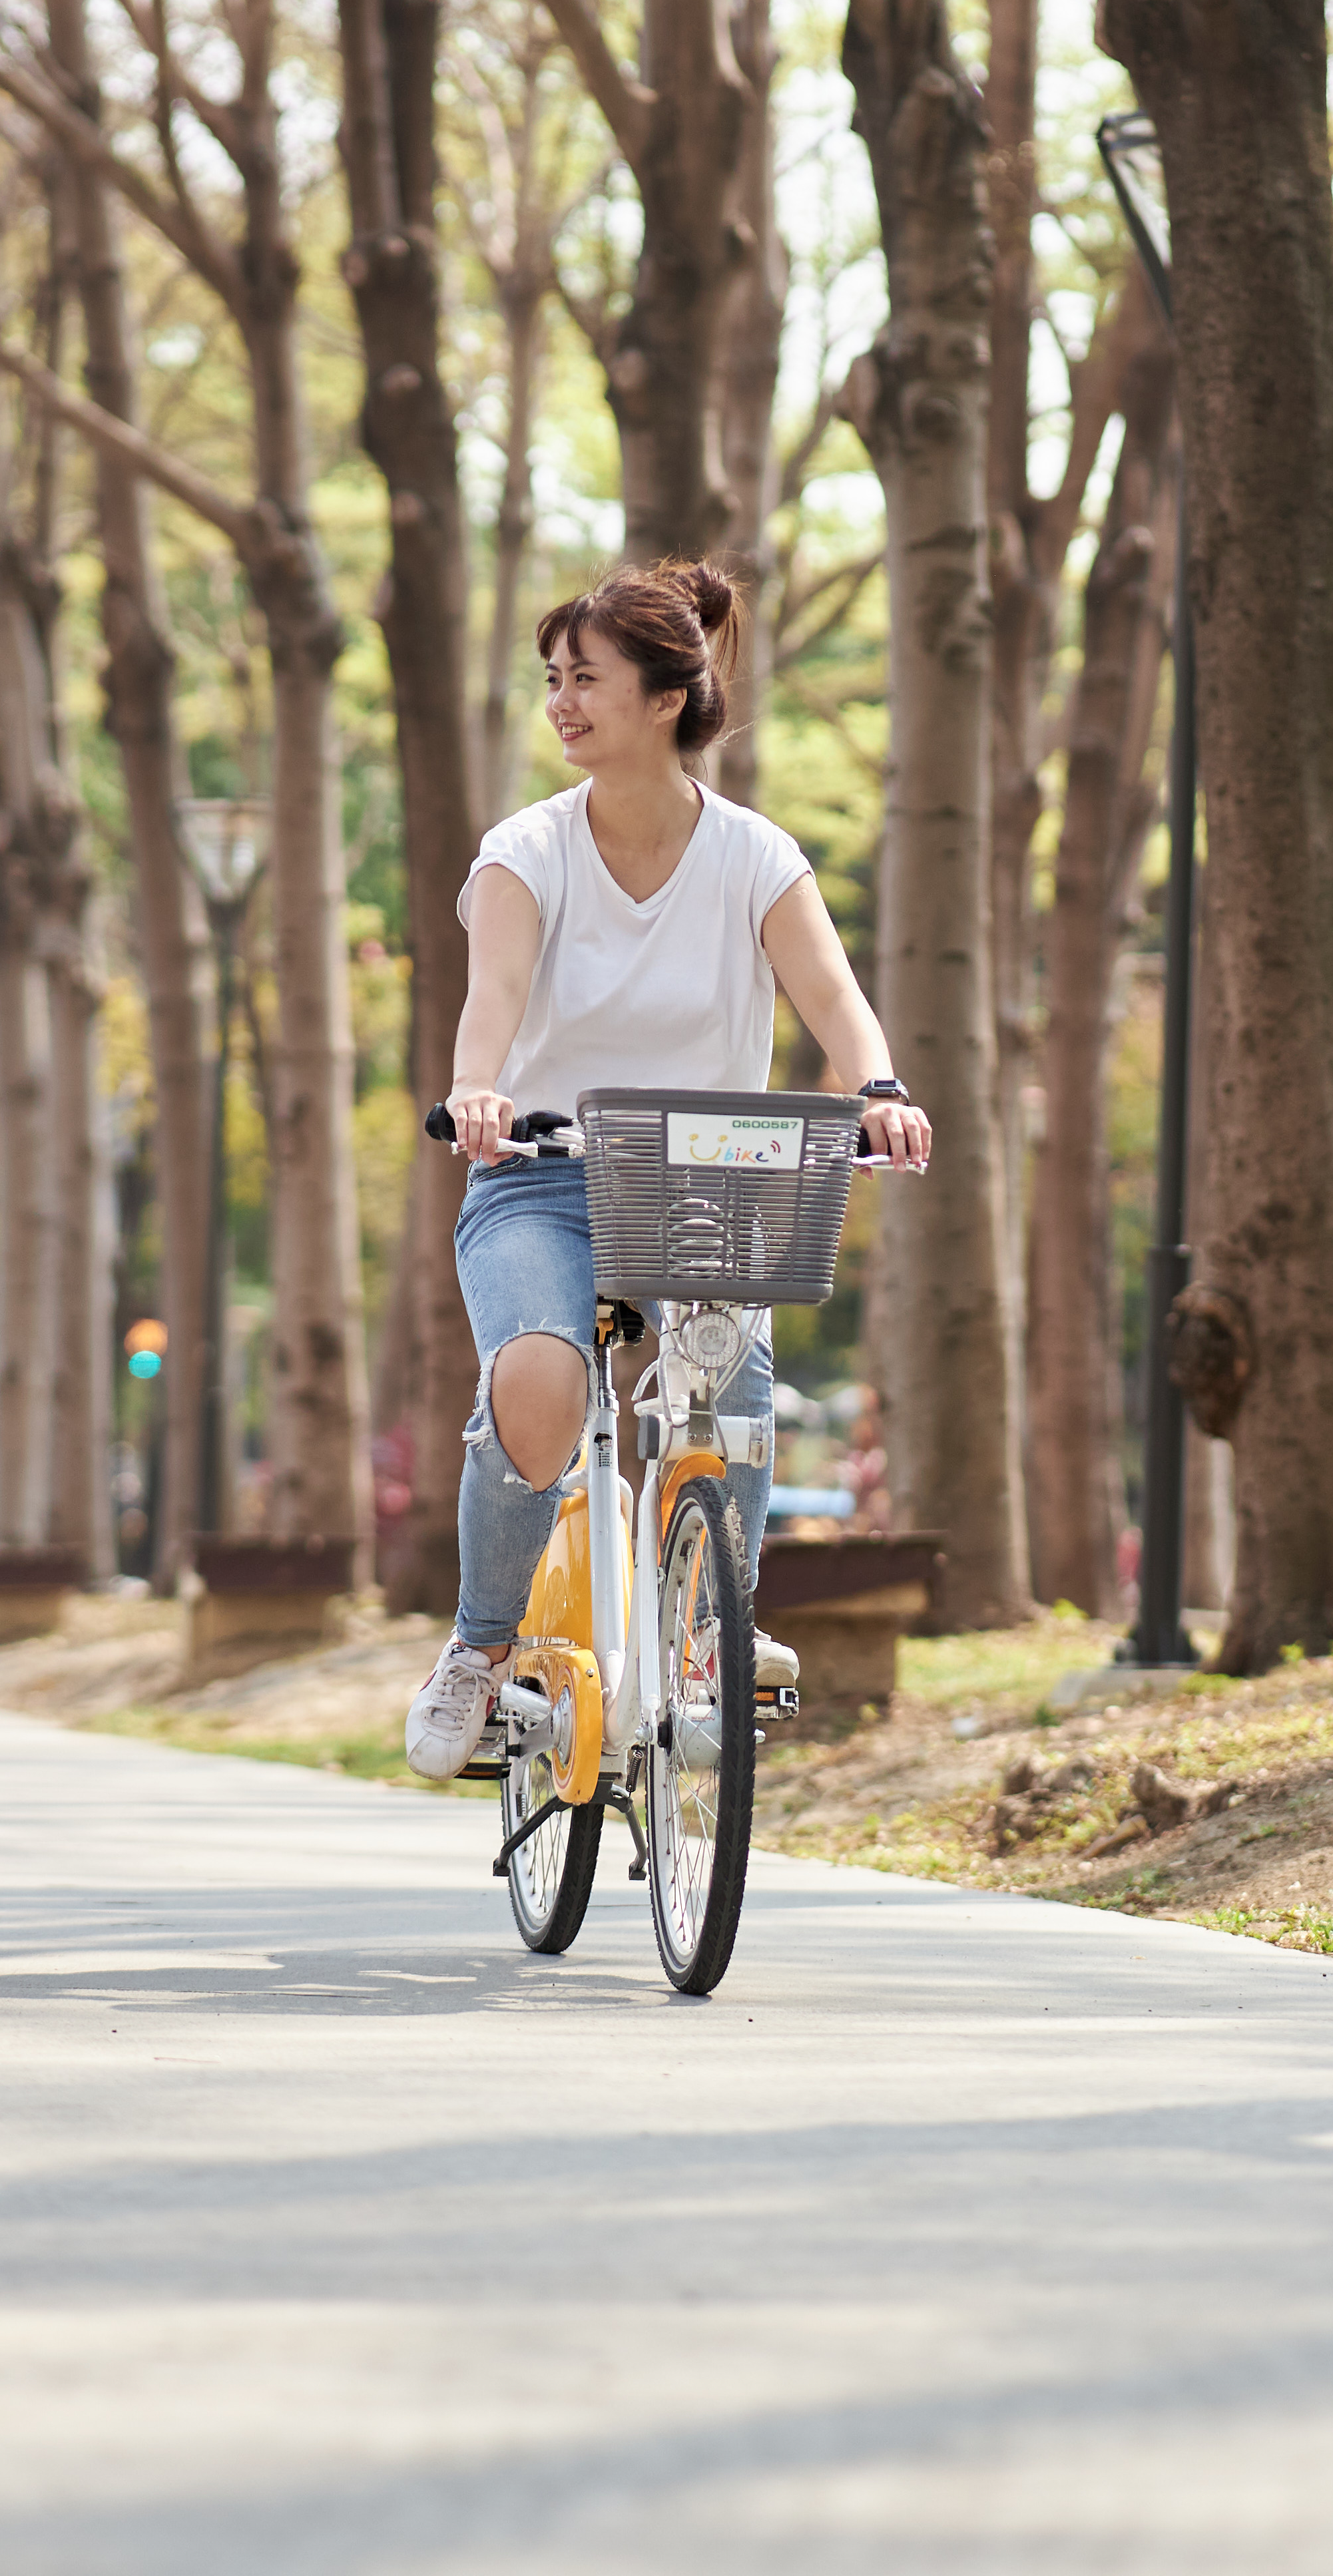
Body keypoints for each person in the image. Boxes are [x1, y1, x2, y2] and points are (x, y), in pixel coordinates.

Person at [407, 558, 932, 1779]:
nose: (563, 702)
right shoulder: (524, 852)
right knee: (537, 1380)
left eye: (587, 679)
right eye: (554, 680)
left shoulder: (756, 858)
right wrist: (478, 1090)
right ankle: (481, 1649)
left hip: (705, 1180)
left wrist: (881, 1087)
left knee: (727, 1401)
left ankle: (716, 1627)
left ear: (664, 698)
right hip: (540, 1175)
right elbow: (490, 1003)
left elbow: (837, 1003)